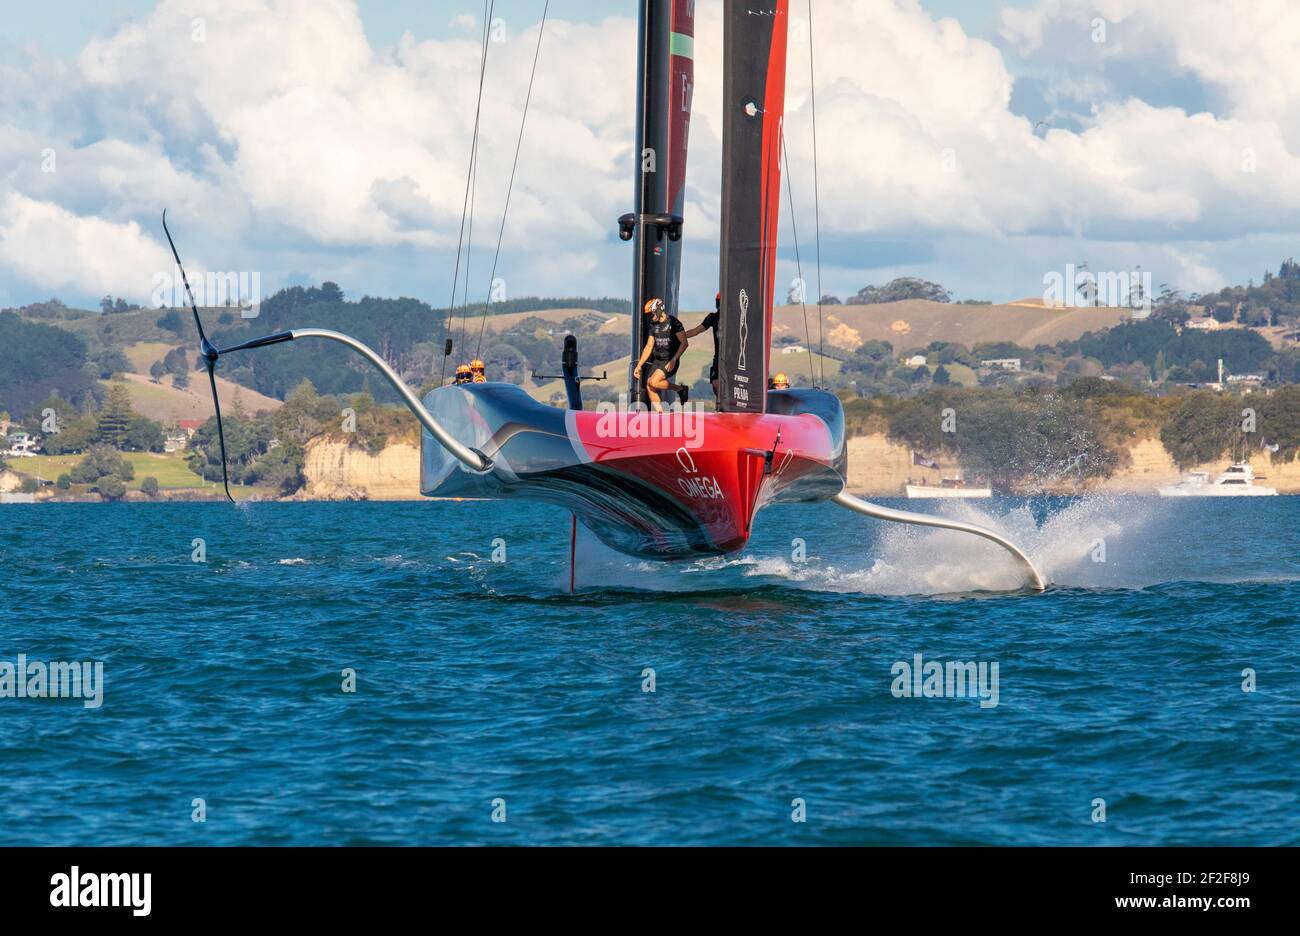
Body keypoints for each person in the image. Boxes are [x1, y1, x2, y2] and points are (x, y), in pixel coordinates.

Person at [634, 297, 689, 411]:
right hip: (658, 360)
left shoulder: (673, 322)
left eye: (652, 313)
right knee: (649, 385)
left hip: (670, 359)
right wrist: (639, 365)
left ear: (658, 309)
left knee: (654, 382)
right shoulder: (653, 324)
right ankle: (661, 414)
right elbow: (649, 346)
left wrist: (674, 359)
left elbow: (684, 343)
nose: (651, 316)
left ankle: (679, 389)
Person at [681, 291, 721, 399]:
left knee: (722, 384)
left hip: (732, 357)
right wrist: (680, 336)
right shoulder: (713, 317)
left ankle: (726, 407)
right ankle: (721, 407)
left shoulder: (735, 318)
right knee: (715, 384)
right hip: (719, 357)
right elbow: (696, 331)